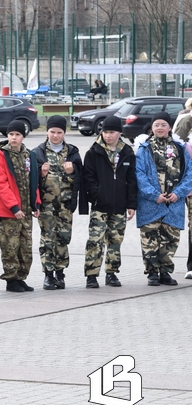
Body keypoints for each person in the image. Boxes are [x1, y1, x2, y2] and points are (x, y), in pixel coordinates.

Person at [135, 112, 192, 286]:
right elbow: (139, 174)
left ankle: (165, 271)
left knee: (170, 238)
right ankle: (152, 272)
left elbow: (189, 173)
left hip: (174, 202)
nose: (160, 128)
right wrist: (154, 195)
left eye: (163, 124)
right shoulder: (144, 149)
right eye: (156, 125)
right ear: (152, 128)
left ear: (169, 127)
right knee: (150, 238)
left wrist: (179, 193)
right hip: (151, 202)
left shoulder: (180, 148)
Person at [80, 116, 137, 288]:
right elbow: (88, 177)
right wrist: (97, 195)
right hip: (100, 205)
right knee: (95, 240)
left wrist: (131, 204)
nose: (108, 136)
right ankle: (91, 275)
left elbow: (132, 180)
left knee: (115, 241)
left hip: (119, 205)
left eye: (111, 132)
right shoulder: (94, 152)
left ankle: (111, 273)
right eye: (105, 132)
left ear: (119, 133)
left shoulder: (127, 152)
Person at [33, 116, 83, 290]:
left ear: (64, 133)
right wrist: (42, 173)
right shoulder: (38, 152)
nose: (55, 135)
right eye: (52, 132)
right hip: (46, 205)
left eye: (59, 132)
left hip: (65, 205)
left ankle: (60, 273)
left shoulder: (72, 152)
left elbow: (80, 179)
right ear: (47, 132)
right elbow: (31, 180)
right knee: (47, 239)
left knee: (63, 238)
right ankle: (48, 274)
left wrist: (72, 172)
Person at [0, 119, 41, 293]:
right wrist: (14, 207)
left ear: (23, 136)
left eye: (17, 135)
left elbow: (33, 181)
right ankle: (11, 279)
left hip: (27, 210)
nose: (14, 138)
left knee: (25, 247)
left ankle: (21, 277)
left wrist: (35, 204)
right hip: (10, 212)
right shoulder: (2, 155)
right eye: (11, 134)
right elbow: (1, 183)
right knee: (10, 247)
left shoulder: (29, 155)